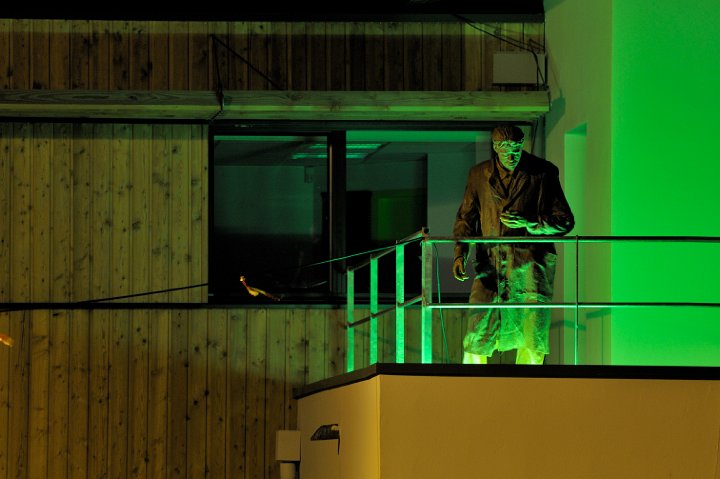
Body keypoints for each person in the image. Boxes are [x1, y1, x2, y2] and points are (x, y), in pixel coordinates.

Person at [452, 125, 574, 365]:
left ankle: (528, 385)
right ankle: (470, 383)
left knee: (531, 333)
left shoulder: (543, 173)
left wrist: (530, 222)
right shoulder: (479, 175)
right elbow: (466, 218)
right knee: (478, 330)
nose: (512, 154)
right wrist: (460, 252)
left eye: (517, 148)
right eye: (506, 149)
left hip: (530, 266)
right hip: (491, 265)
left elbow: (565, 221)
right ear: (495, 148)